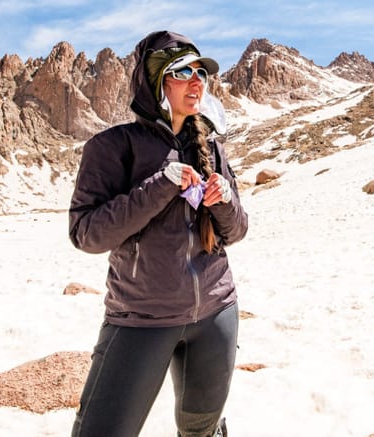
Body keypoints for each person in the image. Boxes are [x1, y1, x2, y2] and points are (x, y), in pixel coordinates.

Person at [68, 30, 248, 437]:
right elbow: (86, 234)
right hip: (140, 320)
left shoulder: (212, 148)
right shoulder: (112, 147)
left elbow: (236, 231)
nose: (197, 81)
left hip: (217, 313)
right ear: (155, 83)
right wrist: (158, 187)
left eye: (201, 71)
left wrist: (223, 201)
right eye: (183, 71)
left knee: (201, 430)